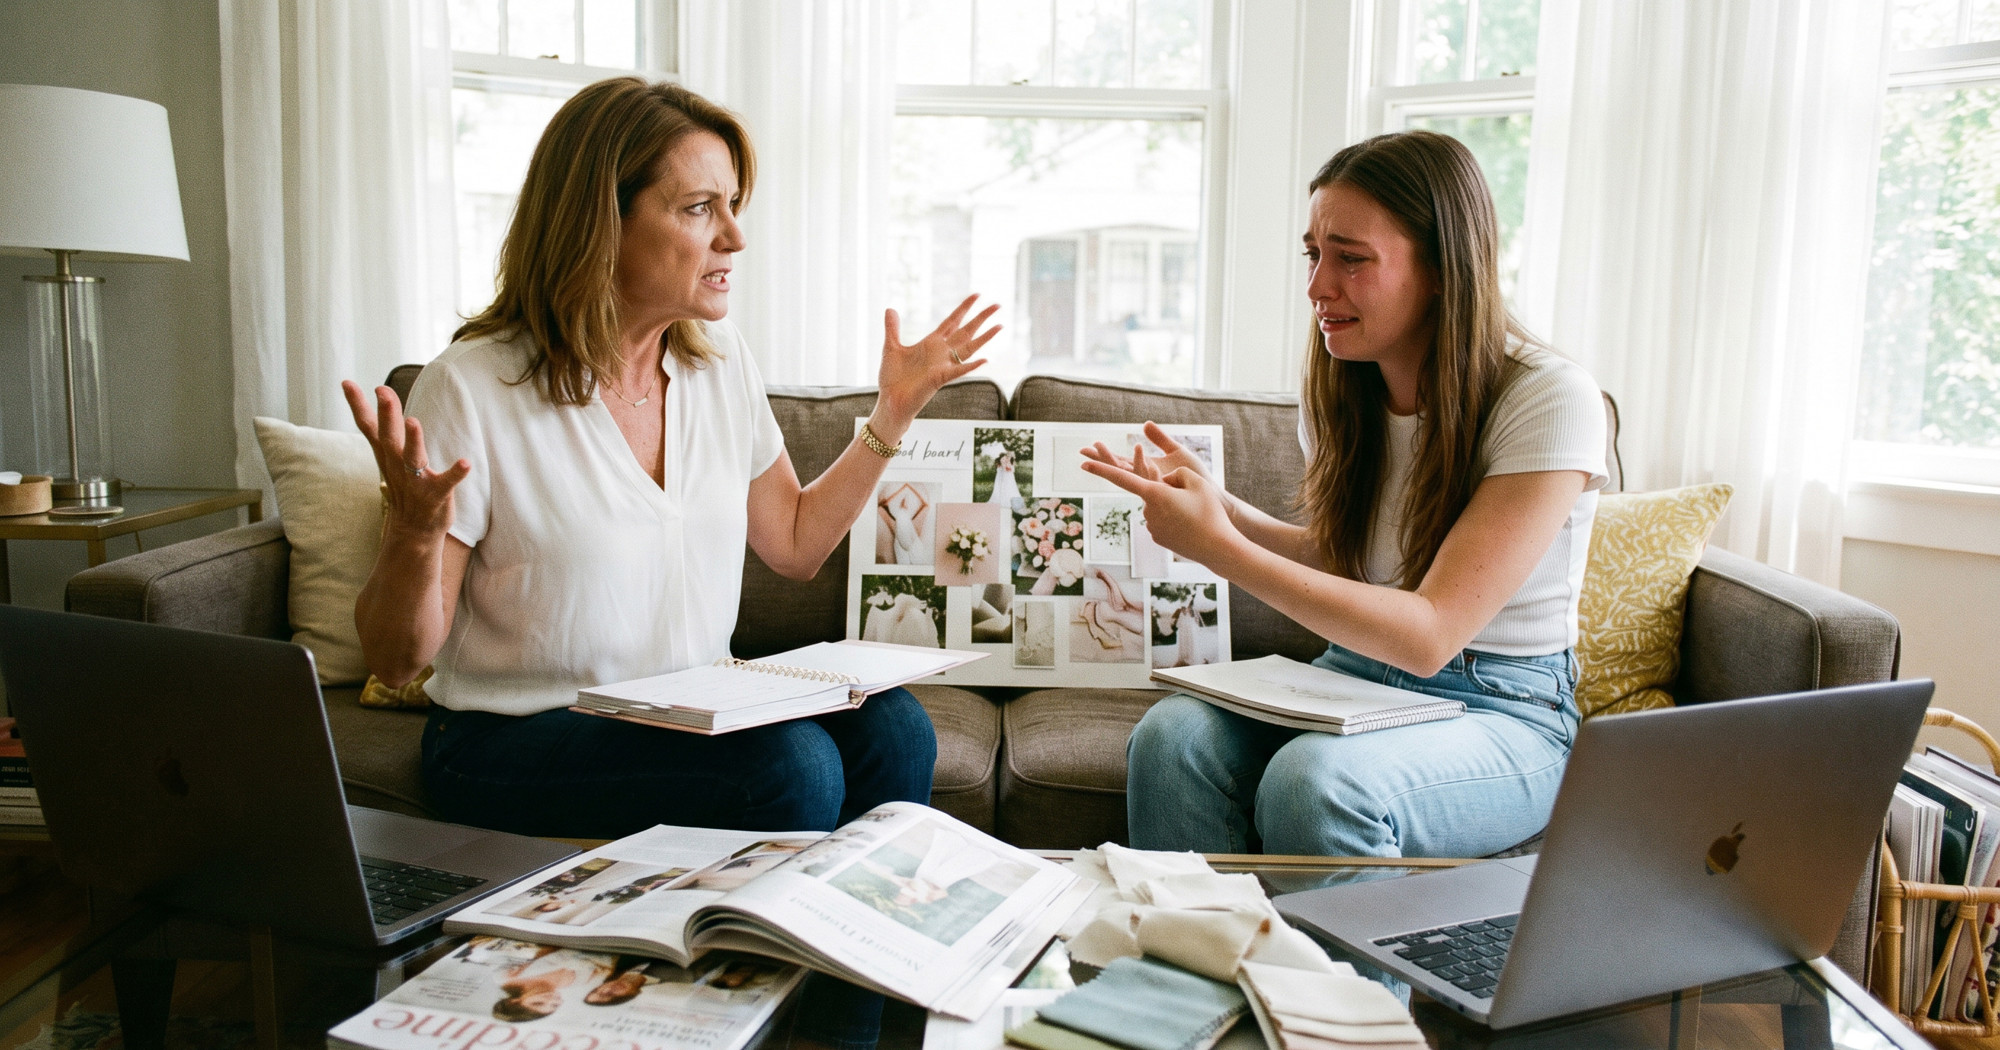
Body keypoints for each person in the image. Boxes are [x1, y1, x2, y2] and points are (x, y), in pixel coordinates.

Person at [341, 77, 999, 1048]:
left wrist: (890, 414)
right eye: (699, 208)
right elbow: (399, 661)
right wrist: (409, 533)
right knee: (787, 769)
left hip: (683, 715)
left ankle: (851, 1040)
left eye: (734, 206)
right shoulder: (474, 387)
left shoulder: (714, 366)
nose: (734, 237)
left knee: (895, 733)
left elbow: (795, 540)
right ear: (595, 223)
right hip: (513, 740)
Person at [1085, 130, 1606, 860]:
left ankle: (1325, 983)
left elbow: (1429, 633)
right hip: (1360, 672)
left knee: (1319, 781)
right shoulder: (1342, 386)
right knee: (1170, 739)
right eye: (1314, 254)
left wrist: (1220, 549)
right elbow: (1349, 560)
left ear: (1440, 269)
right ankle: (1191, 969)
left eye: (1351, 259)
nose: (1317, 287)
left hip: (1507, 705)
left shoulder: (1550, 398)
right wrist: (1222, 509)